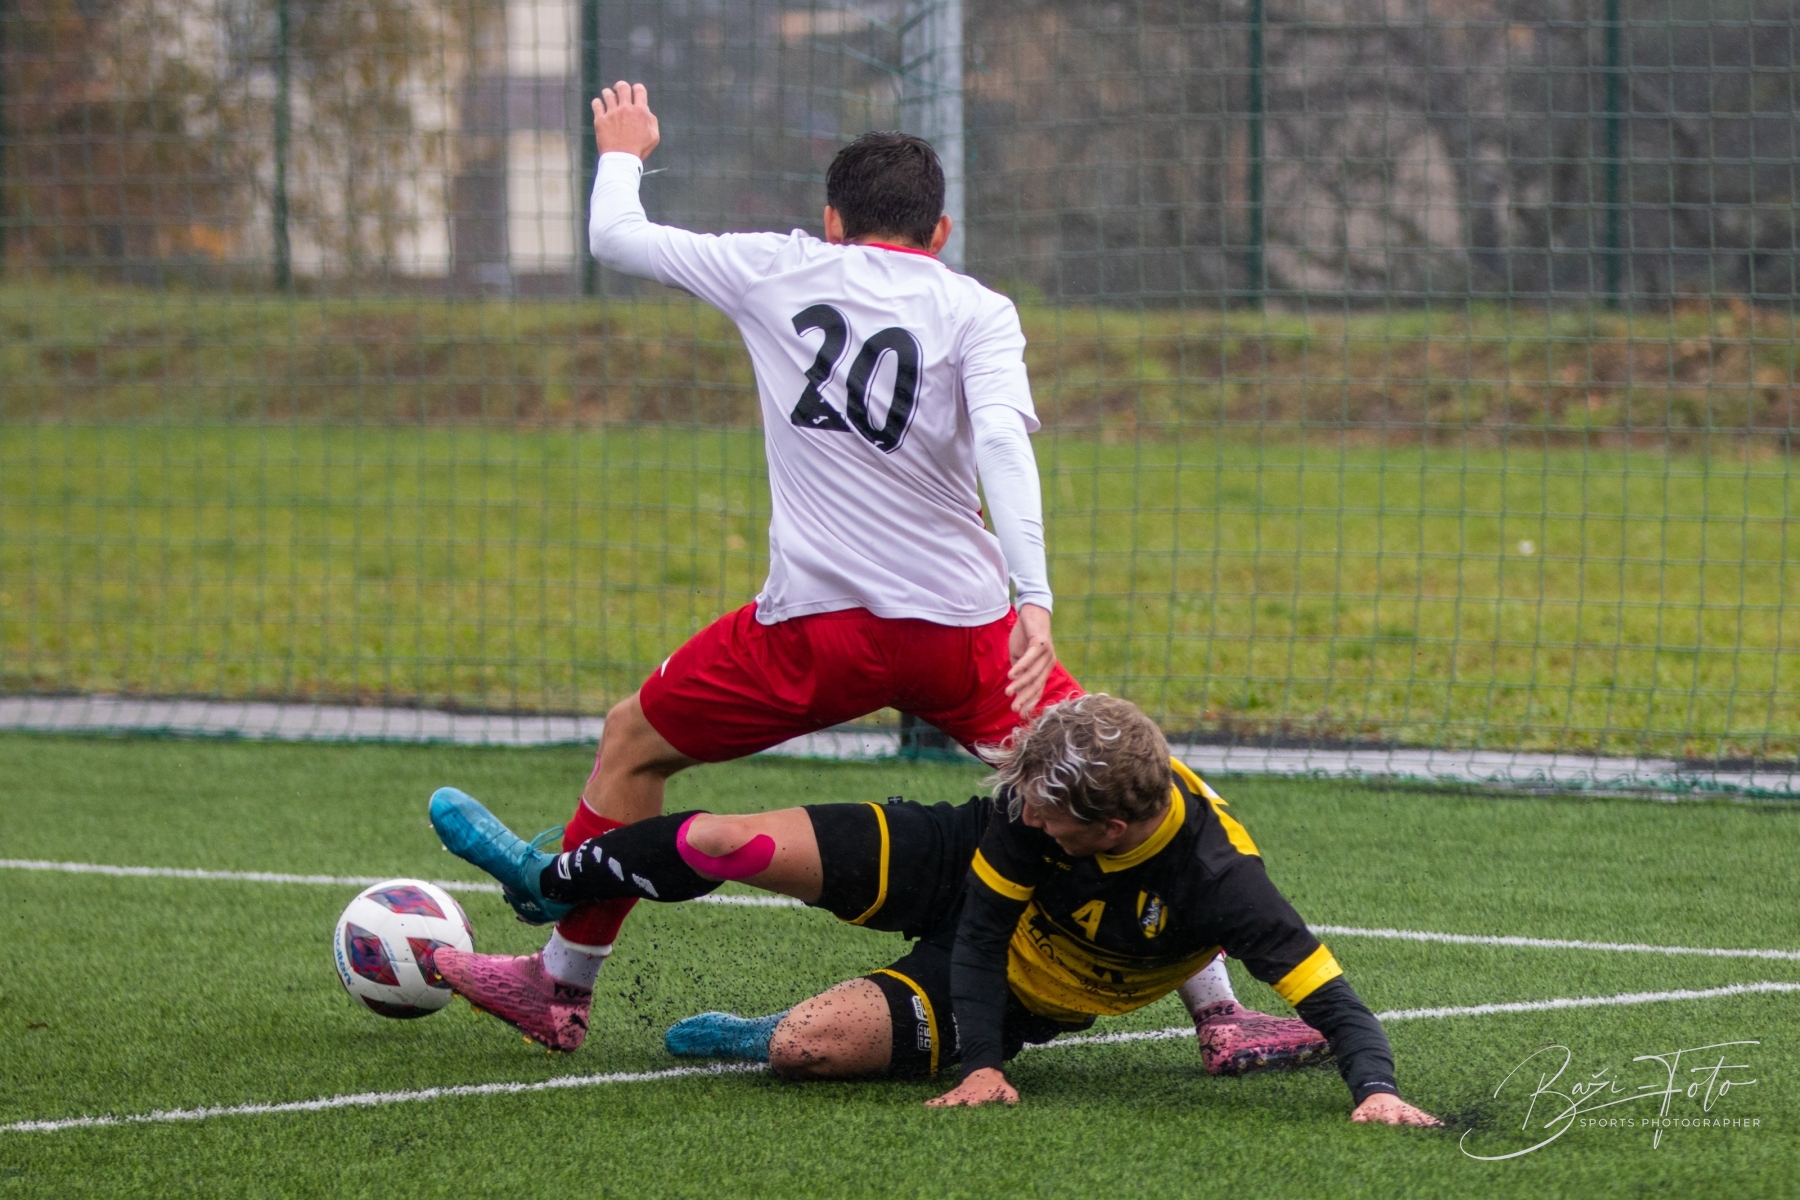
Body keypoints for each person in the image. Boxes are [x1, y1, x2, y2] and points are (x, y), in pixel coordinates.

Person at [427, 81, 1294, 1059]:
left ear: (832, 220)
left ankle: (559, 986)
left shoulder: (776, 266)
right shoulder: (978, 309)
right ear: (942, 231)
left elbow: (615, 239)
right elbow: (1003, 443)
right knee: (1116, 780)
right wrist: (1035, 598)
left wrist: (624, 148)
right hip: (962, 635)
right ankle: (1223, 1018)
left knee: (634, 740)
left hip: (813, 635)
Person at [433, 697, 1437, 1125]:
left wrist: (1378, 1089)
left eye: (1046, 812)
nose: (1025, 812)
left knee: (805, 1050)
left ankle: (764, 1028)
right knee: (726, 842)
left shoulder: (1221, 883)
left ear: (1114, 826)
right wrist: (980, 1069)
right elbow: (986, 913)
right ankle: (550, 880)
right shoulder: (1028, 816)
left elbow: (1332, 998)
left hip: (1022, 985)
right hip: (956, 864)